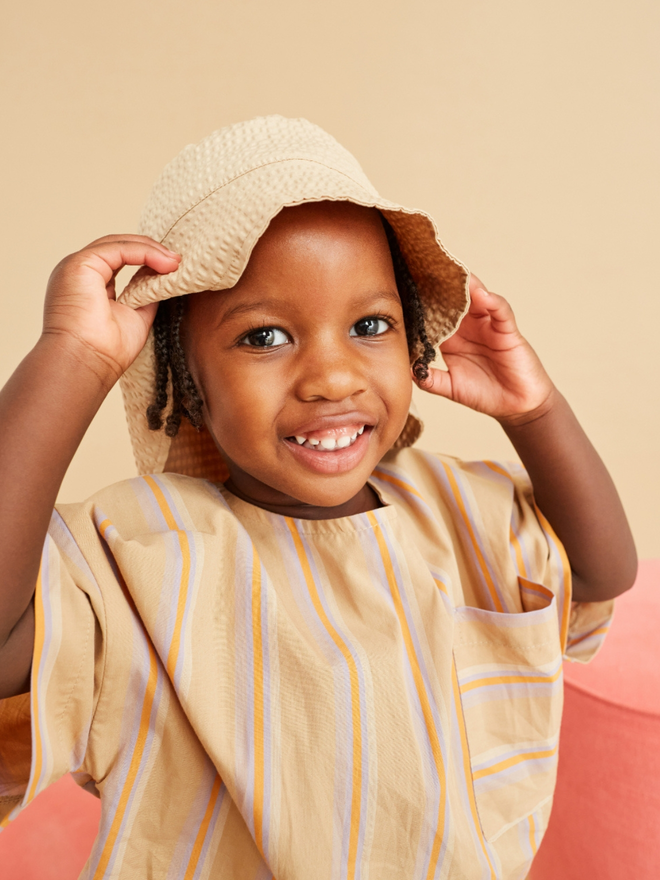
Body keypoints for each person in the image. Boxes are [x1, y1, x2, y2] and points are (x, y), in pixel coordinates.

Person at [0, 116, 636, 879]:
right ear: (190, 388)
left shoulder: (454, 504)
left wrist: (536, 414)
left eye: (371, 325)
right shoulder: (137, 550)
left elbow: (600, 575)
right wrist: (72, 355)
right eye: (265, 337)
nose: (332, 377)